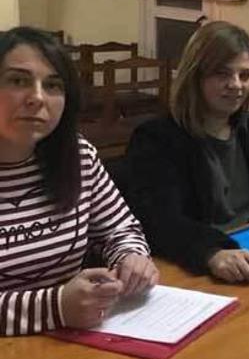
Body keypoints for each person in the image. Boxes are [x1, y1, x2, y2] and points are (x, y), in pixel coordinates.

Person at [0, 27, 158, 336]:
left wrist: (131, 257)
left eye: (53, 85)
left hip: (75, 342)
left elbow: (121, 228)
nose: (37, 97)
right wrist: (55, 307)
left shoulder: (78, 155)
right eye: (18, 81)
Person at [125, 21, 249, 284]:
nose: (236, 85)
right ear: (196, 76)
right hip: (197, 265)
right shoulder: (157, 138)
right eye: (222, 74)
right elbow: (159, 221)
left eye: (245, 75)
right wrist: (212, 253)